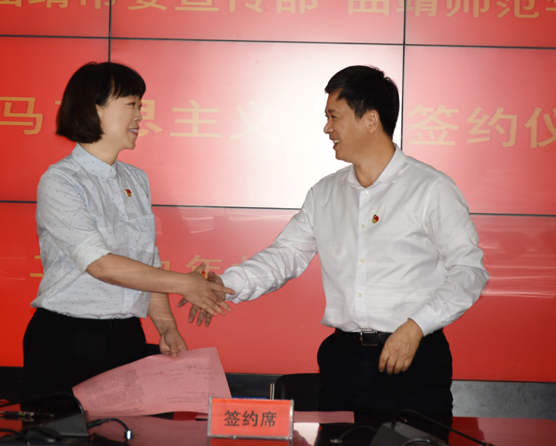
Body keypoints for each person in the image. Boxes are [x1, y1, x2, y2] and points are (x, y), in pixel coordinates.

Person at [184, 65, 488, 425]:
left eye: (334, 116)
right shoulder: (325, 193)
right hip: (344, 362)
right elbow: (285, 256)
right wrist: (225, 284)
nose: (327, 129)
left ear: (371, 120)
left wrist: (416, 327)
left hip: (413, 357)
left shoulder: (431, 189)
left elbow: (469, 272)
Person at [22, 62, 233, 399]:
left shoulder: (135, 178)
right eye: (131, 104)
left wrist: (167, 327)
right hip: (68, 337)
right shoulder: (61, 180)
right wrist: (185, 284)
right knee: (60, 427)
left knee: (130, 428)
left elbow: (147, 262)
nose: (140, 116)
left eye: (140, 106)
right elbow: (100, 264)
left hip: (126, 336)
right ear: (95, 109)